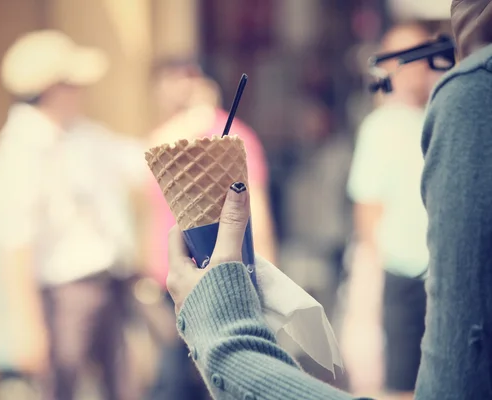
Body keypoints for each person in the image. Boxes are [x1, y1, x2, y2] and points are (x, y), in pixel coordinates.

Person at [163, 2, 492, 399]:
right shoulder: (389, 124)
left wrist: (221, 328)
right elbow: (369, 212)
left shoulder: (472, 96)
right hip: (402, 271)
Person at [0, 30, 142, 400]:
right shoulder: (23, 148)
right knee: (61, 389)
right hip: (64, 294)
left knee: (125, 386)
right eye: (74, 83)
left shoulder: (81, 134)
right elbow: (15, 243)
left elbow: (139, 160)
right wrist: (27, 326)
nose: (83, 91)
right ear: (53, 88)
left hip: (108, 284)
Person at [144, 59, 278, 400]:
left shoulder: (232, 134)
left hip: (222, 271)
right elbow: (149, 213)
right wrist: (145, 275)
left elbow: (254, 206)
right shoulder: (162, 136)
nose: (175, 88)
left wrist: (265, 273)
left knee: (219, 375)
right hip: (168, 278)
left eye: (184, 78)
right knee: (174, 376)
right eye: (167, 80)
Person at [342, 24, 438, 399]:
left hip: (444, 275)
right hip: (400, 276)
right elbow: (367, 214)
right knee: (398, 384)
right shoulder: (379, 127)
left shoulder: (442, 115)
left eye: (420, 57)